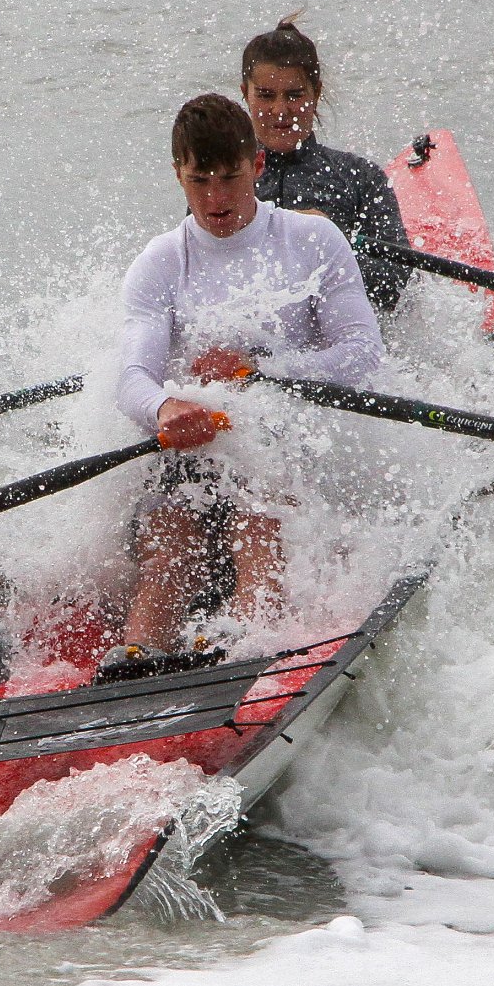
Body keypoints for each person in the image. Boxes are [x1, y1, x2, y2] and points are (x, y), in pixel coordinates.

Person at [106, 93, 385, 674]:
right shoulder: (160, 262)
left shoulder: (312, 242)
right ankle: (138, 650)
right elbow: (131, 378)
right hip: (201, 451)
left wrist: (262, 372)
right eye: (198, 180)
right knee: (176, 514)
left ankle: (249, 635)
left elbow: (361, 353)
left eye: (230, 177)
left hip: (298, 445)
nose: (215, 199)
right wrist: (164, 408)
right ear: (178, 175)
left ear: (257, 166)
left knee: (256, 497)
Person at [242, 11, 414, 314]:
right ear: (246, 94)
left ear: (316, 93)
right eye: (266, 96)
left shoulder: (361, 177)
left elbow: (395, 285)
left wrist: (328, 240)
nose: (280, 110)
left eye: (294, 95)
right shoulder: (223, 179)